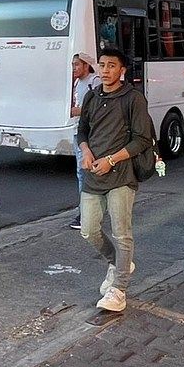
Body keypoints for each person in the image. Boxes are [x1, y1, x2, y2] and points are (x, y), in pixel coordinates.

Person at [76, 47, 152, 313]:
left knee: (122, 234)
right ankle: (119, 262)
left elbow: (142, 140)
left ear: (122, 70)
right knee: (88, 230)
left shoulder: (133, 98)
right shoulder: (91, 96)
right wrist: (86, 152)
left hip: (121, 175)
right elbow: (82, 130)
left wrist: (111, 159)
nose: (106, 70)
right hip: (92, 174)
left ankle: (119, 290)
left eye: (111, 66)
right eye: (102, 65)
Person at [68, 53, 102, 229]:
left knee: (86, 171)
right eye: (72, 65)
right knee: (81, 172)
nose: (74, 68)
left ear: (86, 65)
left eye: (76, 65)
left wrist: (78, 111)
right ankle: (86, 208)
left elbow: (98, 106)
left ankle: (86, 213)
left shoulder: (94, 81)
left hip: (90, 132)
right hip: (77, 131)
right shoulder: (76, 82)